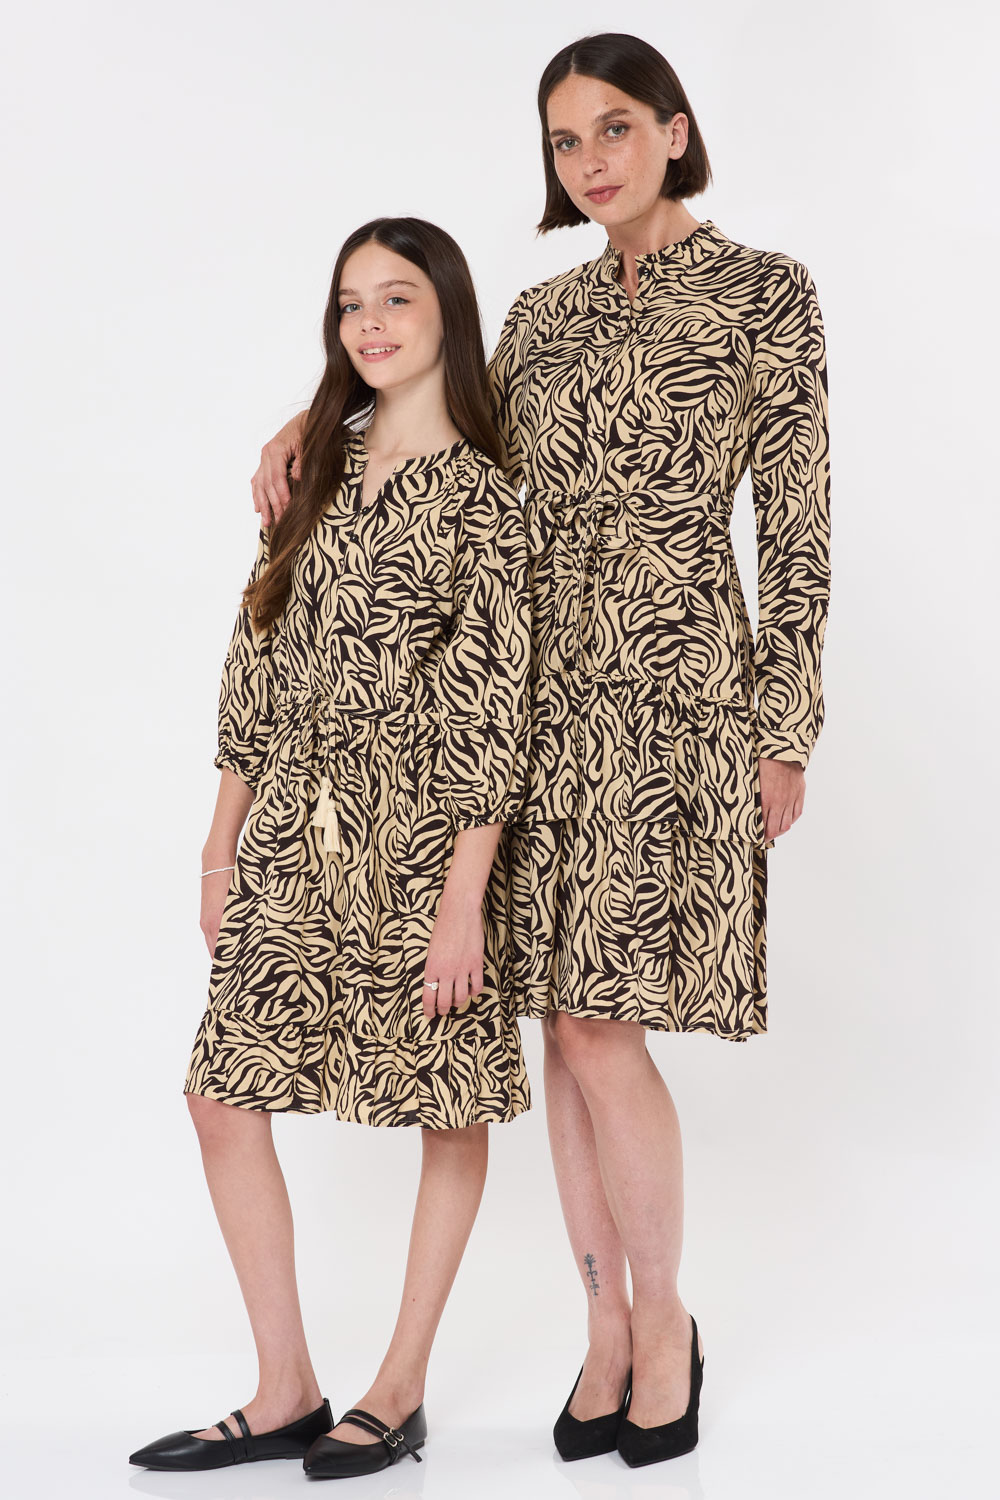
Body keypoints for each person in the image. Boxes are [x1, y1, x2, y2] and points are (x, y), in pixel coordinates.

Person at [251, 31, 831, 1471]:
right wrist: (309, 423)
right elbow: (455, 432)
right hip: (527, 707)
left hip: (675, 700)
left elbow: (798, 527)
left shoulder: (767, 293)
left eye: (616, 128)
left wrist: (785, 726)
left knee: (601, 1027)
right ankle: (604, 1329)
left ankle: (665, 1317)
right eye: (566, 141)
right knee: (559, 1030)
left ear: (676, 131)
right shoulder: (542, 311)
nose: (591, 161)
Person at [129, 217, 532, 1479]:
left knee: (444, 1101)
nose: (369, 322)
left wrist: (464, 899)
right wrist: (220, 846)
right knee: (218, 1095)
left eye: (396, 298)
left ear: (446, 310)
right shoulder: (312, 465)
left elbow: (496, 708)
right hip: (294, 837)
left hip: (424, 847)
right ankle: (285, 1389)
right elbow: (255, 656)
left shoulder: (486, 497)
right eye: (351, 302)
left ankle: (397, 1387)